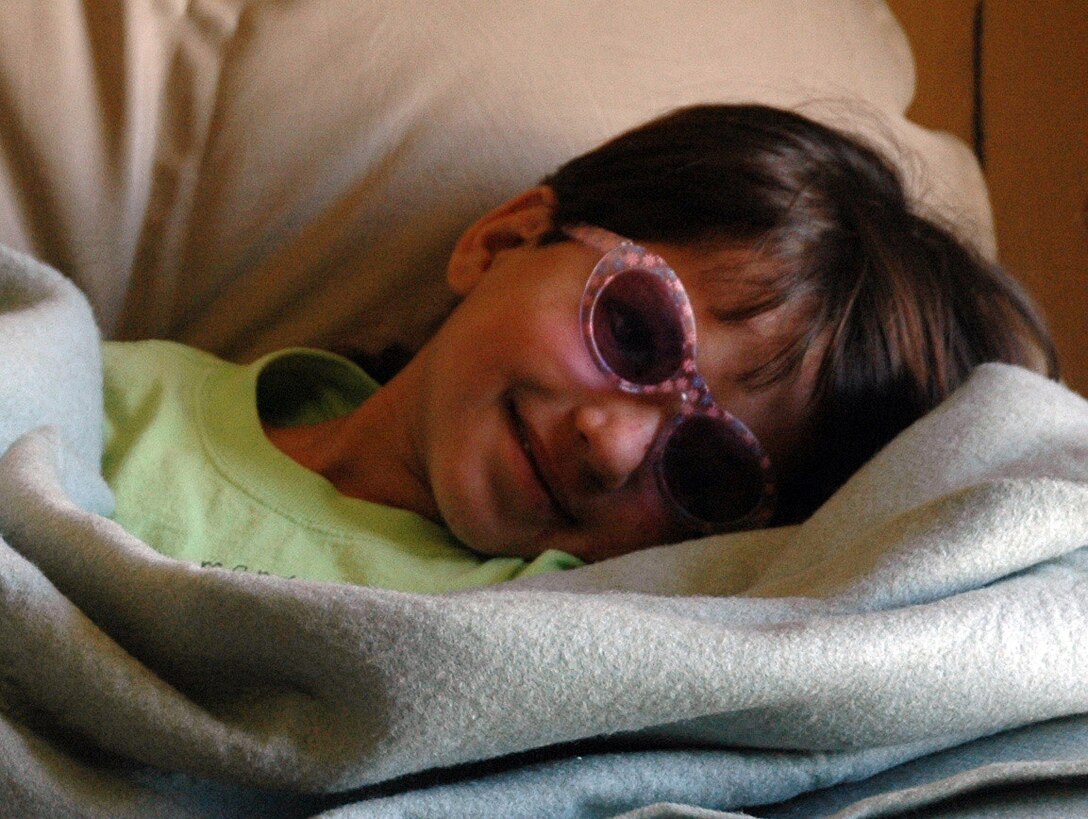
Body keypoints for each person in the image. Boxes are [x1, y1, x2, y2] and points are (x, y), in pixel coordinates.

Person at [101, 104, 1058, 591]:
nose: (613, 444)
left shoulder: (560, 624)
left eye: (710, 467)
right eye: (635, 330)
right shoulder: (117, 396)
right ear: (504, 240)